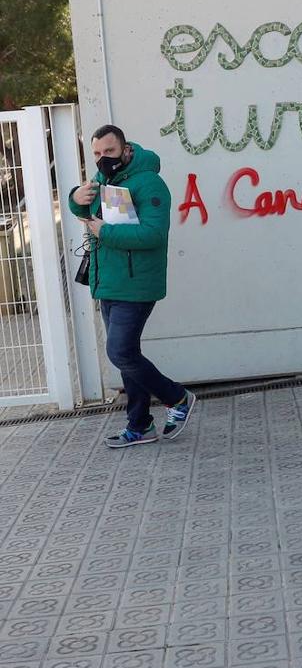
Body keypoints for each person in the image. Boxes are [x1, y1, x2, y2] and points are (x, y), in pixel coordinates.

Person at [69, 125, 196, 448]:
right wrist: (75, 200)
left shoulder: (149, 183)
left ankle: (177, 398)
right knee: (127, 356)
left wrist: (105, 233)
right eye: (97, 154)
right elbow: (91, 215)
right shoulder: (103, 180)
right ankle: (139, 425)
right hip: (108, 280)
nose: (103, 159)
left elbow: (153, 234)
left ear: (126, 150)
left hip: (136, 283)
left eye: (109, 152)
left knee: (120, 351)